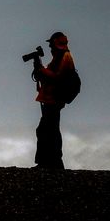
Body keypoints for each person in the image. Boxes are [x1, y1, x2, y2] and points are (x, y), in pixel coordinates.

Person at [33, 32, 75, 170]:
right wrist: (39, 70)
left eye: (51, 44)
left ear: (56, 44)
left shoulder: (65, 57)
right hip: (51, 99)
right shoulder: (59, 57)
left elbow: (57, 78)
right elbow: (49, 77)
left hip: (55, 100)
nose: (50, 47)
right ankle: (49, 162)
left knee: (49, 130)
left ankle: (52, 163)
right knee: (47, 129)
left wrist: (41, 70)